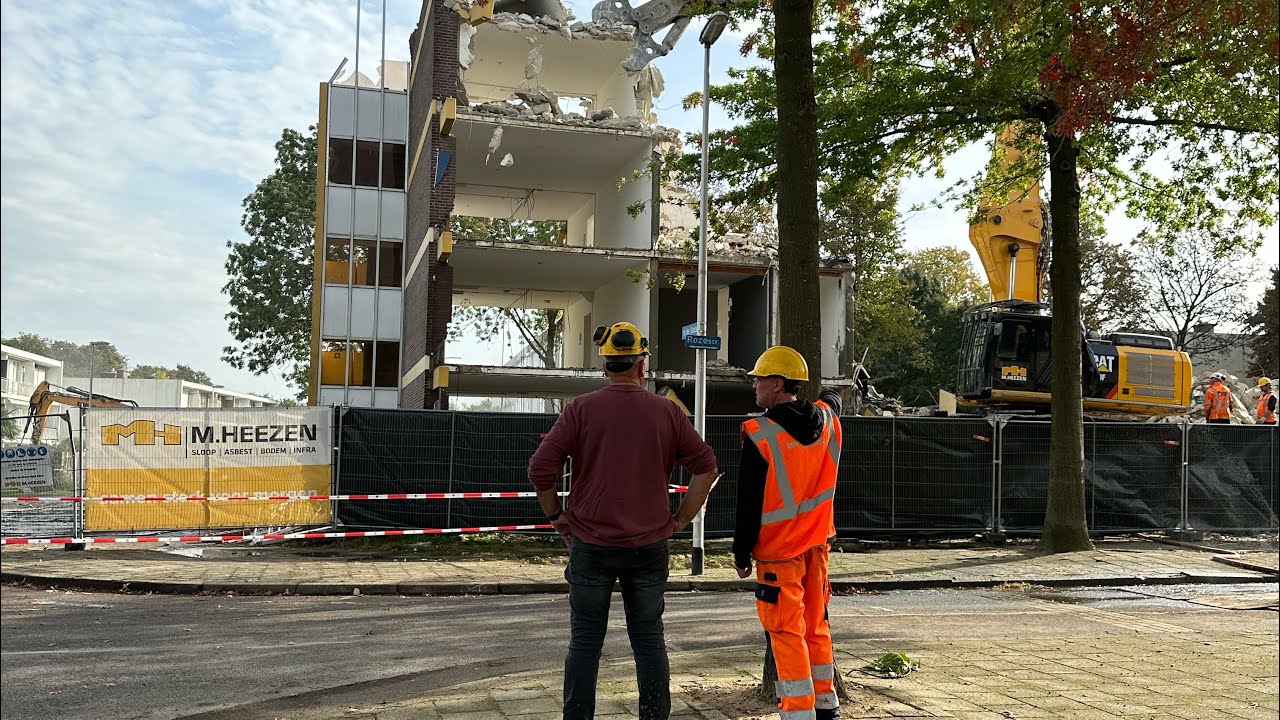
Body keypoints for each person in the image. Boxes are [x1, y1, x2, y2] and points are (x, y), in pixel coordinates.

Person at [528, 321, 719, 720]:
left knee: (584, 643)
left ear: (605, 367)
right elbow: (706, 467)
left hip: (590, 545)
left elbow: (540, 468)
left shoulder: (579, 410)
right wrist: (681, 520)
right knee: (649, 641)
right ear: (642, 366)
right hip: (649, 545)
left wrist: (557, 516)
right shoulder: (667, 412)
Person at [733, 346, 843, 720]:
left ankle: (798, 713)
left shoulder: (760, 434)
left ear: (778, 385)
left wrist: (740, 551)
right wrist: (827, 395)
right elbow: (832, 402)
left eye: (760, 380)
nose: (755, 386)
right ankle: (826, 707)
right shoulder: (826, 422)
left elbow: (747, 502)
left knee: (786, 632)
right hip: (817, 547)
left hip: (779, 553)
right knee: (816, 626)